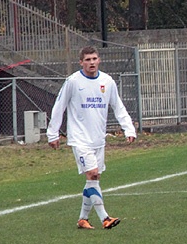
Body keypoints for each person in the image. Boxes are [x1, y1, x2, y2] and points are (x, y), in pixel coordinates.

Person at [46, 46, 136, 230]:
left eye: (94, 58)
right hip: (80, 139)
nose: (91, 62)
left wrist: (129, 129)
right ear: (81, 62)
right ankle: (105, 218)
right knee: (92, 173)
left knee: (93, 180)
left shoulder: (107, 81)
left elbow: (118, 107)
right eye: (87, 59)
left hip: (98, 140)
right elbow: (59, 106)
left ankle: (82, 219)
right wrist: (52, 133)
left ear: (99, 60)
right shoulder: (73, 81)